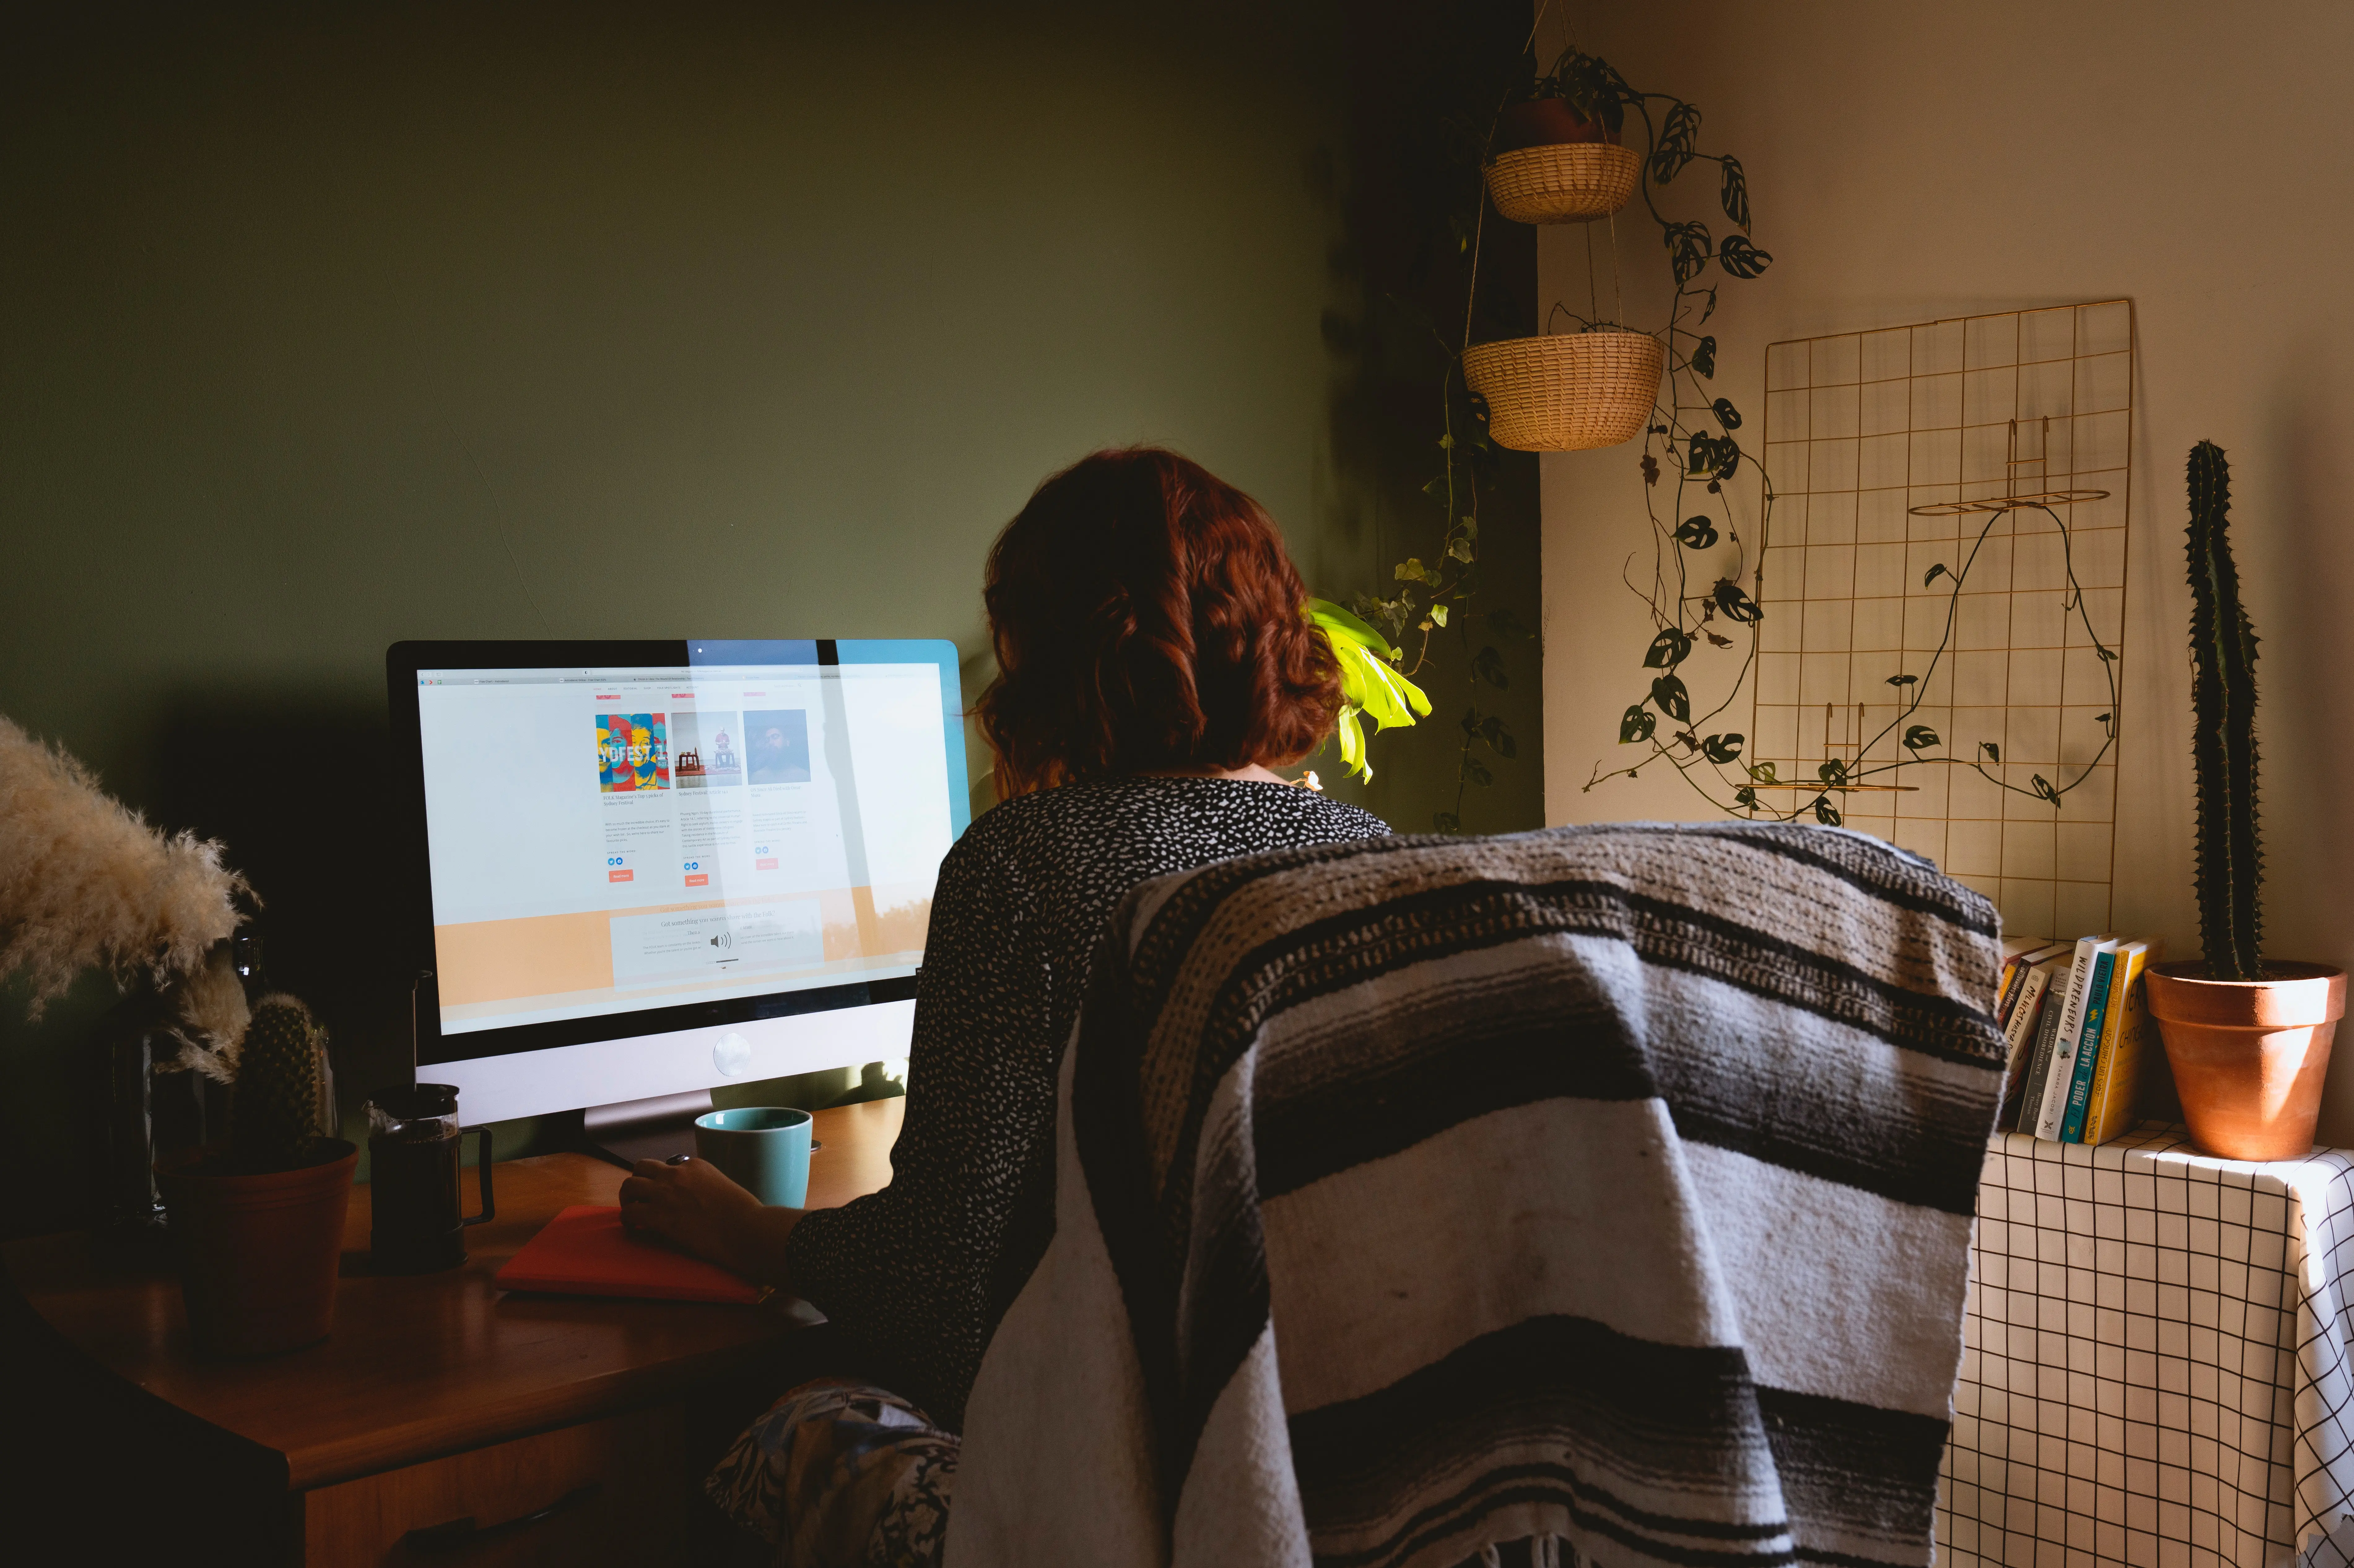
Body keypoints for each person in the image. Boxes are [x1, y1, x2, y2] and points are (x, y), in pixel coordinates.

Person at [620, 447, 1389, 1438]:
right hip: (1323, 1451)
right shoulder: (1364, 852)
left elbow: (943, 1293)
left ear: (1047, 656)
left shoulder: (1022, 866)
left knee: (783, 1429)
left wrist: (751, 1234)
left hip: (1116, 1467)